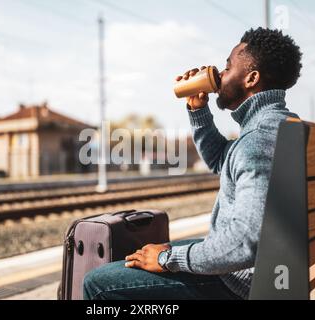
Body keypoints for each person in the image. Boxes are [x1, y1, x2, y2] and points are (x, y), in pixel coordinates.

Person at [83, 27, 303, 300]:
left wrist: (167, 258)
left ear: (251, 78)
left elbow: (246, 241)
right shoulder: (279, 124)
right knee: (150, 252)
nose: (221, 74)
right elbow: (224, 161)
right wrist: (198, 110)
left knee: (98, 282)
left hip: (243, 282)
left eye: (228, 66)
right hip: (274, 266)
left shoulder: (257, 140)